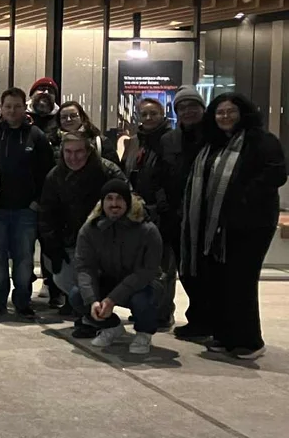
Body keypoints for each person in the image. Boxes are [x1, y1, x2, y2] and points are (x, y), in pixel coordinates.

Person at [179, 92, 286, 360]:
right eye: (220, 112)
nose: (225, 117)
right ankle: (224, 335)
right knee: (219, 280)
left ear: (242, 113)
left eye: (231, 111)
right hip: (216, 227)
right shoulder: (214, 143)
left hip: (250, 225)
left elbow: (276, 174)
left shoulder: (260, 141)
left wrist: (242, 197)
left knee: (241, 281)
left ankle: (249, 341)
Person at [37, 130, 125, 335]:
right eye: (68, 152)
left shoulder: (108, 171)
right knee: (63, 279)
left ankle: (94, 318)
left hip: (106, 241)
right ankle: (96, 317)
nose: (73, 157)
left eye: (78, 152)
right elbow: (46, 213)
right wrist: (52, 245)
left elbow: (126, 202)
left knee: (94, 284)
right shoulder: (55, 176)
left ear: (88, 151)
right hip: (71, 242)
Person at [0, 88, 54, 318]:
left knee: (24, 260)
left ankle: (22, 302)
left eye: (17, 106)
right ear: (1, 108)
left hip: (25, 211)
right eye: (8, 106)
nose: (12, 111)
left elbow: (47, 173)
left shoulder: (36, 136)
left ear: (25, 108)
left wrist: (36, 202)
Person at [73, 177, 165, 355]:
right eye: (109, 198)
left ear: (128, 202)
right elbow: (84, 267)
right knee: (78, 295)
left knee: (143, 300)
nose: (114, 204)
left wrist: (112, 299)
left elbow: (146, 272)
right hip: (110, 280)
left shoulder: (147, 230)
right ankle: (111, 327)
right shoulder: (90, 229)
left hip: (143, 284)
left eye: (119, 199)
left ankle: (144, 333)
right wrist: (93, 301)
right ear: (102, 202)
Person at [121, 96, 176, 326]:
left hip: (162, 212)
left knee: (163, 266)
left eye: (153, 113)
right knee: (140, 264)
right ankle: (142, 309)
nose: (149, 117)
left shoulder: (171, 141)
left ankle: (162, 313)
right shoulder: (134, 142)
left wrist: (160, 205)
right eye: (144, 114)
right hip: (136, 212)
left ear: (163, 114)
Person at [161, 86, 208, 340]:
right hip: (177, 215)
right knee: (185, 270)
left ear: (202, 108)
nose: (188, 111)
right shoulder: (169, 140)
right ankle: (197, 319)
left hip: (206, 216)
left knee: (207, 272)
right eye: (182, 107)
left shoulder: (214, 137)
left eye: (193, 106)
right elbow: (160, 175)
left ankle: (209, 320)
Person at [28, 77, 61, 143]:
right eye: (42, 89)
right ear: (31, 95)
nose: (46, 92)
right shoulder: (21, 115)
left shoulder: (60, 118)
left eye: (51, 91)